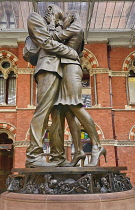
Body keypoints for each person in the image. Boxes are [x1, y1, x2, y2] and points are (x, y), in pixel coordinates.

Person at [49, 9, 107, 167]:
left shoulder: (76, 28)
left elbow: (54, 38)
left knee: (75, 105)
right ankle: (79, 151)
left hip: (71, 69)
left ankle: (97, 146)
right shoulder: (73, 29)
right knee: (68, 111)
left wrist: (54, 25)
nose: (63, 21)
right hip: (65, 69)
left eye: (64, 19)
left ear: (71, 18)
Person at [25, 6, 79, 168]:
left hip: (61, 71)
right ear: (50, 11)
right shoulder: (35, 18)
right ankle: (33, 156)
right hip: (47, 68)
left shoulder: (57, 29)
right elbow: (46, 43)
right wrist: (71, 53)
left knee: (58, 114)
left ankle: (58, 157)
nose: (59, 21)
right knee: (43, 110)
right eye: (58, 17)